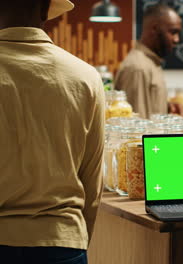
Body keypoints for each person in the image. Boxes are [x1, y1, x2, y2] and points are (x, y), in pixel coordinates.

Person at [0, 0, 105, 263]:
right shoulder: (86, 77)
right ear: (47, 10)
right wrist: (77, 240)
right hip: (61, 241)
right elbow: (92, 180)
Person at [115, 3, 183, 119]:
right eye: (173, 32)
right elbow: (136, 129)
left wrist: (167, 107)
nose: (177, 40)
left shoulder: (150, 63)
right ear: (155, 29)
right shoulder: (138, 68)